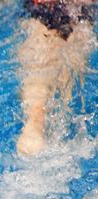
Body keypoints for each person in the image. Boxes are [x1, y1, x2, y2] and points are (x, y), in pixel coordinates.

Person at [13, 0, 96, 154]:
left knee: (38, 71)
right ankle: (56, 123)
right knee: (70, 71)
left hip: (42, 9)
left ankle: (36, 114)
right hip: (82, 13)